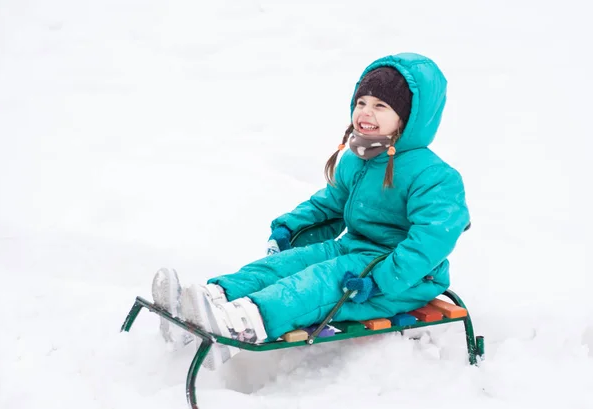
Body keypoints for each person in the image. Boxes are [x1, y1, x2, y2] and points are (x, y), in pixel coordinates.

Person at [151, 52, 470, 370]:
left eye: (380, 106)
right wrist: (291, 228)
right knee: (286, 265)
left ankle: (242, 324)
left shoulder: (434, 176)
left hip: (402, 278)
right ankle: (211, 299)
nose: (365, 112)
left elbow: (431, 240)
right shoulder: (358, 158)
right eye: (361, 102)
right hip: (353, 250)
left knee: (320, 282)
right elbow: (330, 204)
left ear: (409, 117)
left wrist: (380, 279)